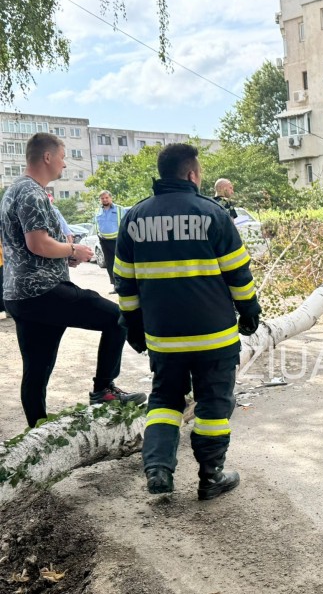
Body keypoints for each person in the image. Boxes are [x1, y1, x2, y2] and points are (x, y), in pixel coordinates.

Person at [114, 143, 261, 500]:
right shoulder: (212, 214)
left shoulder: (133, 218)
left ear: (162, 174)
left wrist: (132, 326)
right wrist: (250, 312)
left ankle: (158, 469)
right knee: (213, 404)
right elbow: (238, 275)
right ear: (192, 175)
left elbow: (124, 283)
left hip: (164, 338)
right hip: (215, 337)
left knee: (164, 400)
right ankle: (211, 478)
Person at [0, 133, 146, 428]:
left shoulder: (14, 191)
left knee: (36, 371)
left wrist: (64, 256)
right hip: (45, 292)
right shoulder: (32, 192)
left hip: (20, 295)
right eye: (64, 157)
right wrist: (73, 249)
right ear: (47, 157)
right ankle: (103, 389)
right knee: (117, 317)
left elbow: (28, 246)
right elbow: (38, 243)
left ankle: (36, 436)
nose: (65, 165)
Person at [94, 190, 126, 292]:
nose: (104, 200)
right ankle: (115, 286)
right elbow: (96, 224)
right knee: (109, 264)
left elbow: (125, 225)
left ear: (111, 198)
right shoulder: (98, 211)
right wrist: (99, 235)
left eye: (106, 198)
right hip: (104, 241)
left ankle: (124, 284)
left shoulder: (120, 209)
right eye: (102, 198)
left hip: (117, 240)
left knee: (120, 263)